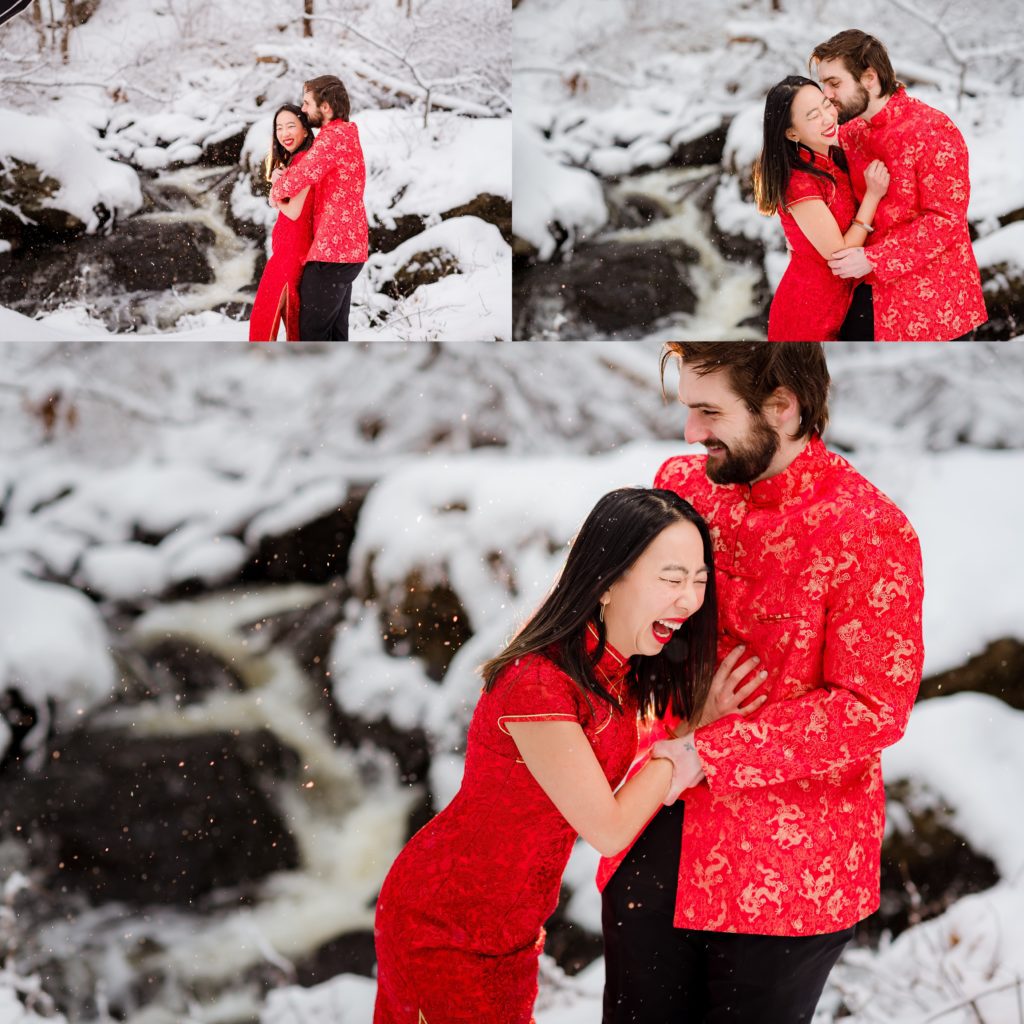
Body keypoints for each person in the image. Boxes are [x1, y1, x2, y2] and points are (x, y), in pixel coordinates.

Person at [599, 343, 925, 1024]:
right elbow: (612, 627)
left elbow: (873, 709)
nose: (691, 433)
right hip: (656, 828)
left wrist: (709, 750)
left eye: (709, 411)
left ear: (783, 407)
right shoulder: (681, 488)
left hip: (788, 872)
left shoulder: (869, 530)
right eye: (688, 409)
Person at [373, 487, 766, 1024]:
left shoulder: (617, 671)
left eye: (699, 581)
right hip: (444, 921)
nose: (690, 600)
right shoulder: (537, 684)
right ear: (606, 581)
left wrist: (695, 728)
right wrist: (690, 748)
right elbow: (606, 827)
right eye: (672, 580)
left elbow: (624, 772)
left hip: (512, 928)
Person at [811, 29, 987, 341]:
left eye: (834, 83)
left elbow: (945, 220)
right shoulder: (850, 133)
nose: (826, 94)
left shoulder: (933, 130)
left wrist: (873, 258)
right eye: (823, 83)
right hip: (862, 288)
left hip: (934, 304)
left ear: (869, 77)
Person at [754, 77, 890, 341]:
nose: (828, 118)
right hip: (808, 313)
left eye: (827, 104)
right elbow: (840, 255)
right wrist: (873, 196)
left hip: (844, 304)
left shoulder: (833, 158)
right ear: (792, 133)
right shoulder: (798, 182)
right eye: (813, 115)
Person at [269, 75, 368, 341]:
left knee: (309, 335)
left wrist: (275, 190)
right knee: (335, 334)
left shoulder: (334, 137)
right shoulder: (344, 134)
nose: (302, 110)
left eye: (306, 103)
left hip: (332, 253)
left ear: (325, 107)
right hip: (346, 251)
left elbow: (303, 173)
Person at [248, 105, 315, 342]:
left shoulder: (306, 161)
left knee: (265, 319)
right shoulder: (295, 161)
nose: (284, 133)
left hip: (292, 252)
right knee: (283, 318)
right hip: (288, 250)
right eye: (279, 127)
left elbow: (295, 211)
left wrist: (275, 194)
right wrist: (278, 185)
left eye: (291, 126)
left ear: (306, 131)